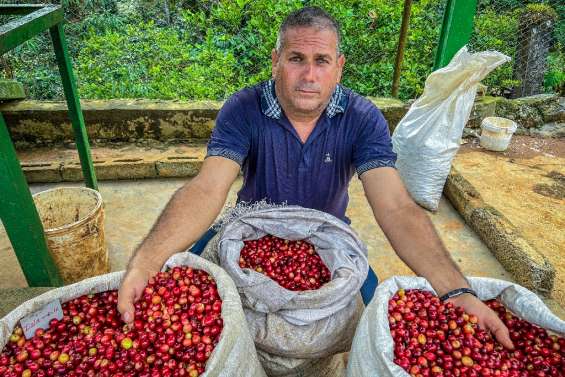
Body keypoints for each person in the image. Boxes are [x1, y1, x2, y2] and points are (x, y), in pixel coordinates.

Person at [118, 6, 513, 349]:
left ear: (338, 68)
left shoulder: (362, 118)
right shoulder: (243, 108)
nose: (309, 75)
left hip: (327, 234)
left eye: (322, 60)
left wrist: (455, 290)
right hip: (251, 227)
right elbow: (206, 188)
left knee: (371, 319)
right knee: (190, 299)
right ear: (275, 61)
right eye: (296, 58)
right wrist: (146, 262)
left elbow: (394, 206)